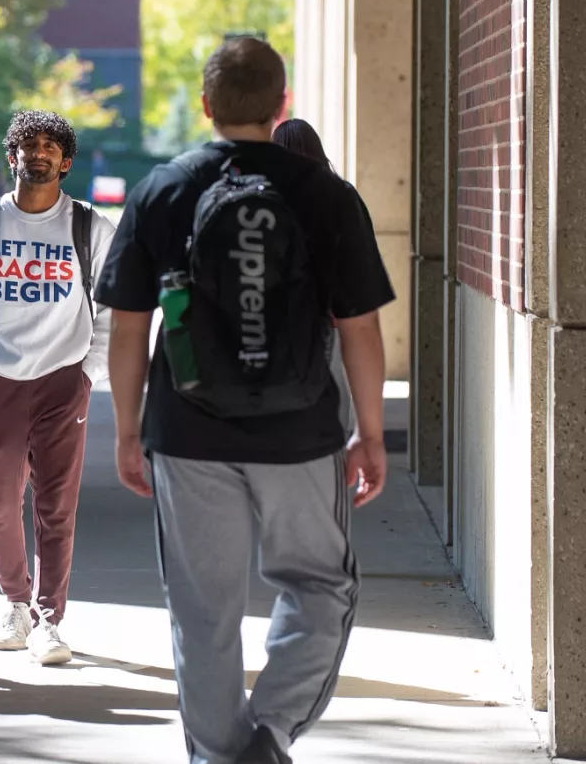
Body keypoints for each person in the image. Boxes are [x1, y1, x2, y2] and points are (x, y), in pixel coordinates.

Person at [97, 38, 393, 764]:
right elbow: (360, 328)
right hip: (301, 433)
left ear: (206, 106)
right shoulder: (325, 194)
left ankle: (219, 757)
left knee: (202, 613)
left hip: (187, 431)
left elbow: (129, 327)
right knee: (322, 587)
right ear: (281, 104)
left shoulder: (165, 188)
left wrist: (127, 431)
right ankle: (271, 733)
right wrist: (373, 435)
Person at [0, 110, 115, 666]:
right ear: (11, 156)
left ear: (66, 162)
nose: (38, 153)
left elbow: (113, 309)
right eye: (27, 144)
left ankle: (49, 617)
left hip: (64, 380)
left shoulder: (90, 227)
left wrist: (89, 373)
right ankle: (14, 602)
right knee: (0, 508)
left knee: (56, 507)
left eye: (50, 146)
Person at [273, 118, 357, 441]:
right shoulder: (341, 199)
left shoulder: (264, 202)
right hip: (330, 327)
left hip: (277, 330)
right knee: (331, 424)